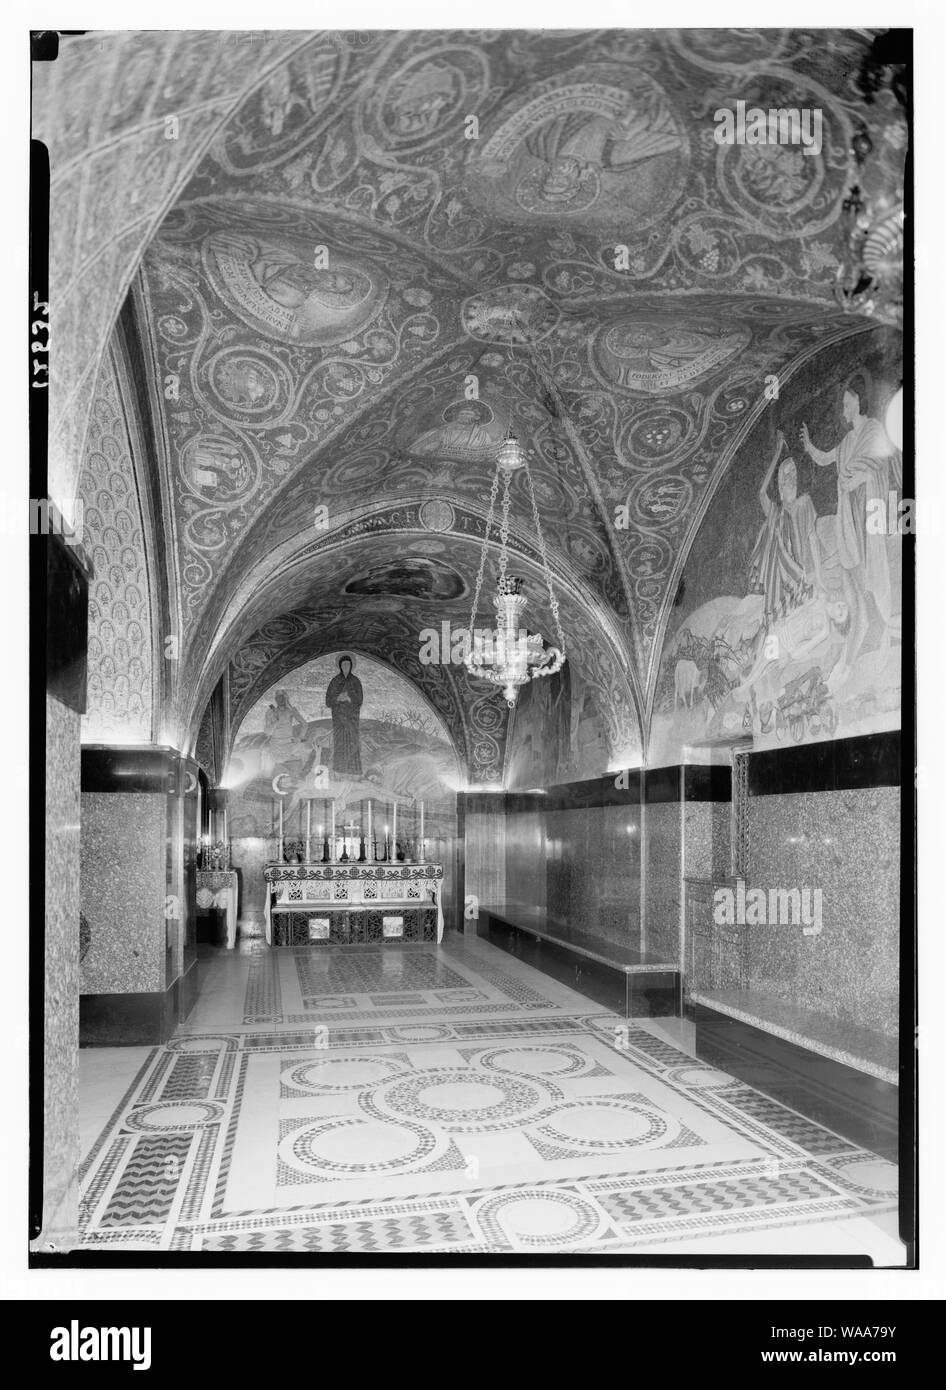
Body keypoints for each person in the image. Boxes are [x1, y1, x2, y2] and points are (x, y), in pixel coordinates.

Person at [799, 382, 896, 672]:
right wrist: (807, 444)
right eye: (842, 405)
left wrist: (860, 480)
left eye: (846, 403)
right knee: (853, 565)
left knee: (868, 566)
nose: (843, 410)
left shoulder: (874, 430)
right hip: (850, 515)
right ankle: (868, 622)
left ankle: (881, 621)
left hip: (869, 508)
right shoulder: (846, 442)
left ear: (857, 400)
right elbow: (825, 458)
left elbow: (882, 463)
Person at [325, 654, 364, 776]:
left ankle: (354, 770)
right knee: (340, 742)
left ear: (351, 665)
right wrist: (338, 698)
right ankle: (339, 769)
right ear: (340, 666)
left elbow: (359, 700)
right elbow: (328, 701)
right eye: (344, 664)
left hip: (352, 718)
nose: (346, 666)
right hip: (339, 718)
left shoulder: (356, 681)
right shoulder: (335, 681)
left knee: (353, 741)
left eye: (348, 664)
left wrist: (349, 697)